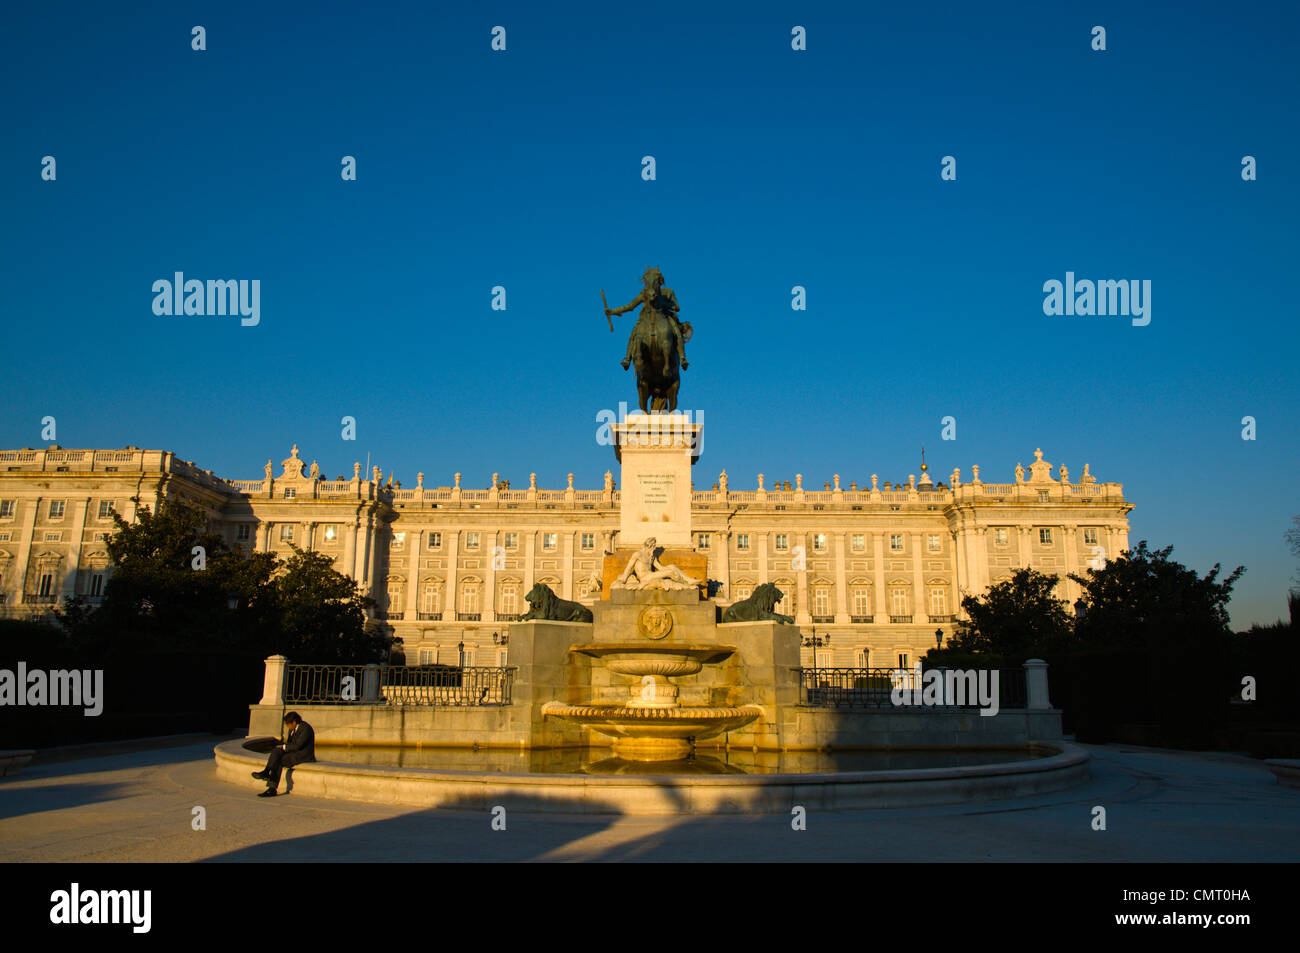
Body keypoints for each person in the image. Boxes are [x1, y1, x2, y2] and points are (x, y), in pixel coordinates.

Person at [607, 267, 690, 374]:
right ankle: (627, 358)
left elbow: (676, 307)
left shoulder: (668, 292)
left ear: (659, 281)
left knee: (676, 332)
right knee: (634, 333)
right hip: (646, 318)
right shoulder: (644, 293)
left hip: (664, 316)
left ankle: (683, 358)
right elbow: (630, 306)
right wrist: (613, 311)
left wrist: (662, 303)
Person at [251, 711, 315, 797]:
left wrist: (284, 747)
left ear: (294, 722)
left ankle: (272, 788)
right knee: (276, 751)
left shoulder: (306, 728)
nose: (287, 727)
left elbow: (298, 745)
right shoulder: (292, 729)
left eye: (288, 724)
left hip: (304, 755)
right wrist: (281, 747)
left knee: (280, 760)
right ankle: (266, 771)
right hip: (294, 752)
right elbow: (290, 744)